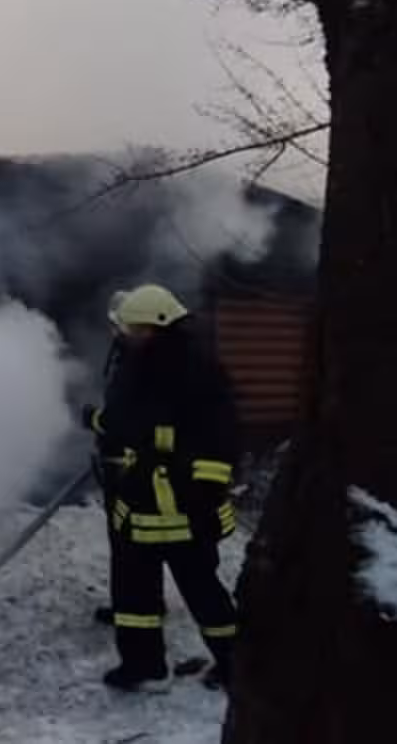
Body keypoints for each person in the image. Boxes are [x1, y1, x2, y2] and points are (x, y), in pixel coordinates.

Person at [81, 284, 241, 693]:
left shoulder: (186, 370)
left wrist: (203, 493)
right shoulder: (151, 362)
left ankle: (230, 665)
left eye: (135, 330)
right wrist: (102, 424)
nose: (126, 336)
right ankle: (150, 667)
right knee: (146, 592)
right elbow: (127, 421)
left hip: (174, 505)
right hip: (149, 500)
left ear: (160, 326)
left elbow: (217, 437)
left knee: (189, 589)